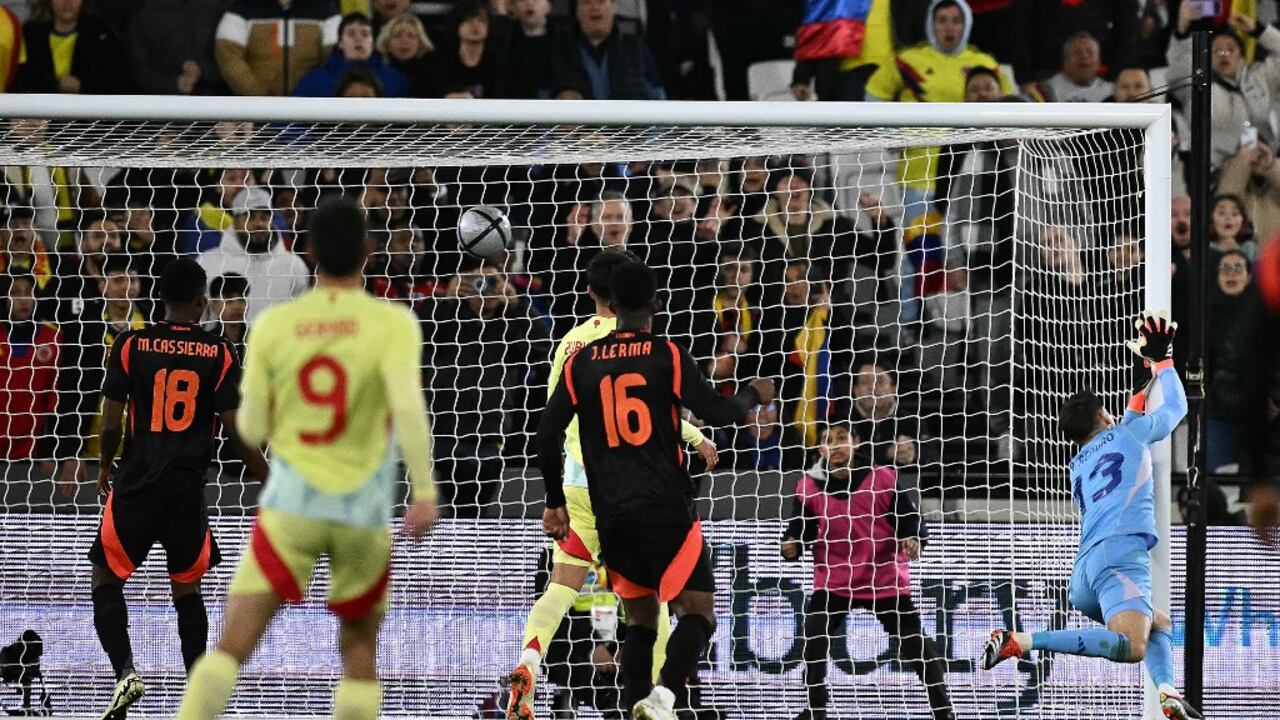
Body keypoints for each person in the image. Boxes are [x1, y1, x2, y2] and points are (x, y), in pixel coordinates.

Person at [176, 199, 440, 720]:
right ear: (369, 250)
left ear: (309, 251)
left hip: (291, 506)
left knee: (231, 646)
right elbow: (410, 408)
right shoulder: (393, 324)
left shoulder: (275, 325)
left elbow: (249, 428)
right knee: (359, 654)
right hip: (362, 510)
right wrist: (426, 492)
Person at [536, 258, 775, 719]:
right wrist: (753, 395)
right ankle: (665, 696)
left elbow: (546, 437)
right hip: (666, 509)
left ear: (607, 302)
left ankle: (633, 709)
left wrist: (554, 501)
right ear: (655, 304)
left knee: (641, 622)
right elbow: (719, 412)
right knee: (699, 614)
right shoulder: (666, 354)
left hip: (612, 516)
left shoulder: (581, 362)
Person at [506, 249, 717, 719]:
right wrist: (697, 435)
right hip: (627, 487)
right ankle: (657, 702)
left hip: (577, 484)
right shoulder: (636, 342)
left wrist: (555, 495)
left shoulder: (569, 344)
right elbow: (647, 413)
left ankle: (527, 664)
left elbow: (557, 417)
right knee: (655, 600)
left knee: (560, 587)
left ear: (590, 292)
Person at [984, 311, 1201, 720]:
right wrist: (1165, 361)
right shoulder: (1127, 434)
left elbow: (1129, 423)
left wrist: (1144, 381)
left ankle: (1168, 691)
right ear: (1104, 417)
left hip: (1085, 573)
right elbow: (1176, 407)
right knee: (1132, 646)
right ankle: (1020, 641)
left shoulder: (1078, 462)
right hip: (1120, 556)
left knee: (1157, 622)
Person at [89, 259, 268, 719]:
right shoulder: (220, 350)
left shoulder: (130, 344)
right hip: (187, 487)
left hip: (137, 480)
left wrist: (106, 465)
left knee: (107, 579)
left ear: (159, 298)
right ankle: (199, 694)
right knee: (187, 588)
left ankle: (125, 674)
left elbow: (111, 420)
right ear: (200, 300)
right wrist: (267, 477)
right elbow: (236, 429)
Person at [782, 421, 954, 720]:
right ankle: (815, 710)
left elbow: (912, 519)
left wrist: (913, 538)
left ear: (856, 442)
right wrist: (791, 544)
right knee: (813, 641)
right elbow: (801, 530)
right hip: (834, 581)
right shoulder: (807, 486)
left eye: (841, 438)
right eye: (828, 440)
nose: (835, 445)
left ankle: (943, 710)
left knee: (916, 644)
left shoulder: (882, 479)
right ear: (820, 448)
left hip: (882, 578)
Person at [418, 263, 551, 516]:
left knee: (478, 516)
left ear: (505, 284)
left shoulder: (510, 322)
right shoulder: (445, 315)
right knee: (443, 518)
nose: (484, 288)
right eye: (477, 280)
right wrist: (447, 301)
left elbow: (543, 355)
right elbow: (416, 335)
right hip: (443, 433)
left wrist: (518, 306)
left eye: (492, 281)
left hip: (489, 435)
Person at [1168, 7, 1280, 172]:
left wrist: (1259, 30)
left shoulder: (1261, 76)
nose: (1224, 54)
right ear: (1207, 58)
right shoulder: (1198, 88)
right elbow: (1179, 65)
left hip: (1267, 162)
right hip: (1221, 171)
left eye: (1231, 49)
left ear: (1242, 56)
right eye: (1217, 50)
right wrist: (1182, 30)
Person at [196, 186, 311, 324]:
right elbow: (199, 320)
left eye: (264, 217)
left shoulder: (294, 266)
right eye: (250, 217)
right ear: (235, 220)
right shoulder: (207, 263)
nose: (259, 224)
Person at [214, 0, 339, 96]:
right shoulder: (242, 6)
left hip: (312, 111)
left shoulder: (324, 7)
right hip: (256, 112)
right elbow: (229, 57)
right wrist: (259, 95)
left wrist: (310, 94)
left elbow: (334, 58)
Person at [548, 0, 665, 100]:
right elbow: (541, 101)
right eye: (587, 2)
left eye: (601, 1)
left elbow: (659, 101)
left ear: (613, 8)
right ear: (576, 12)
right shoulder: (557, 51)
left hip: (630, 126)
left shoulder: (637, 49)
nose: (595, 7)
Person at [0, 273, 60, 466]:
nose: (23, 299)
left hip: (35, 447)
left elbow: (55, 396)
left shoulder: (53, 338)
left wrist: (49, 448)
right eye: (15, 293)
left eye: (28, 293)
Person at [13, 0, 131, 94]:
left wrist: (82, 86)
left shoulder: (101, 34)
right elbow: (23, 79)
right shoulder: (31, 34)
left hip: (90, 115)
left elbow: (115, 79)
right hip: (42, 115)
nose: (67, 2)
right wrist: (55, 85)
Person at [292, 12, 410, 97]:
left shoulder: (394, 79)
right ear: (339, 43)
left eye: (365, 34)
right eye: (351, 34)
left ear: (373, 43)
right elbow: (290, 118)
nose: (358, 39)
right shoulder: (315, 80)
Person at [129, 0, 226, 95]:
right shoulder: (143, 14)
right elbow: (137, 70)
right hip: (160, 103)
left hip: (215, 99)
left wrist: (202, 70)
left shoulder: (218, 10)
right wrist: (173, 84)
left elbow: (235, 60)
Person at [437, 0, 508, 98]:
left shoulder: (497, 62)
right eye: (468, 20)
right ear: (457, 25)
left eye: (481, 20)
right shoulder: (443, 61)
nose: (475, 25)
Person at [1217, 140, 1280, 242]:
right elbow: (1226, 200)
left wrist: (1271, 165)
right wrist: (1242, 162)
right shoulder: (1234, 184)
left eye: (1260, 156)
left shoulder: (1275, 190)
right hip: (1240, 256)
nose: (1256, 160)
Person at [1030, 31, 1113, 103]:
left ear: (1099, 60)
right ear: (1065, 61)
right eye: (1077, 52)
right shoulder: (1045, 91)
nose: (1084, 57)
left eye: (1090, 52)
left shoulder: (1112, 91)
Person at [375, 12, 442, 97]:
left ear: (420, 43)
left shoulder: (434, 75)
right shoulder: (375, 73)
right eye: (398, 36)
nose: (405, 41)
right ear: (387, 43)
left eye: (411, 36)